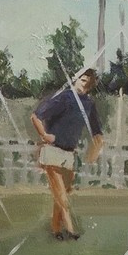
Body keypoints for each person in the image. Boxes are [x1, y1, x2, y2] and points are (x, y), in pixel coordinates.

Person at [30, 65, 105, 242]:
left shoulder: (89, 104)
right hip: (53, 150)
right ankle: (71, 230)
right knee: (61, 194)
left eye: (89, 82)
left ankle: (56, 229)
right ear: (75, 79)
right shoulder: (64, 98)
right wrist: (44, 135)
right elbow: (36, 116)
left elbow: (97, 131)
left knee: (63, 193)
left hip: (69, 153)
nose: (85, 84)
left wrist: (97, 147)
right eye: (82, 80)